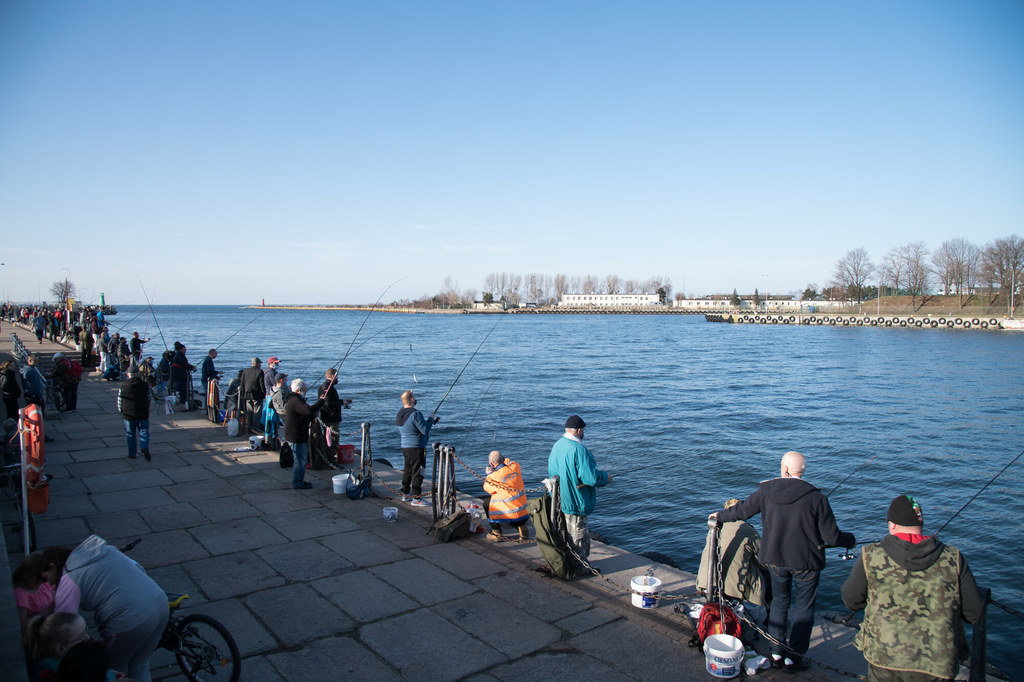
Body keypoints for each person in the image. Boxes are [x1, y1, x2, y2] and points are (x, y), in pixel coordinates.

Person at [713, 450, 855, 671]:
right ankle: (794, 657)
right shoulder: (817, 497)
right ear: (802, 471)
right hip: (807, 563)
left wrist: (720, 516)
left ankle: (776, 652)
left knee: (779, 603)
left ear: (784, 469)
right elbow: (832, 537)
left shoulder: (766, 491)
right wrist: (851, 540)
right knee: (804, 609)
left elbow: (742, 511)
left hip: (776, 559)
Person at [841, 495, 984, 682]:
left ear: (891, 525)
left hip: (884, 656)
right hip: (937, 662)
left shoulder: (871, 555)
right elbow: (974, 612)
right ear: (921, 524)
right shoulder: (953, 558)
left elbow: (851, 600)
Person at [42, 535, 169, 682]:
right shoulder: (105, 550)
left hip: (130, 620)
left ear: (52, 566)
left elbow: (65, 621)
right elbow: (138, 567)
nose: (49, 583)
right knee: (140, 665)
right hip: (160, 602)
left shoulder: (70, 577)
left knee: (107, 668)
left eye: (46, 578)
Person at [547, 415, 612, 566]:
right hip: (575, 501)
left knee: (564, 533)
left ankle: (566, 563)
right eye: (582, 430)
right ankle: (579, 567)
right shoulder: (579, 449)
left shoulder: (557, 445)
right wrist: (605, 477)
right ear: (578, 430)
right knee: (578, 535)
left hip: (558, 499)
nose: (583, 433)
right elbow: (591, 478)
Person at [697, 498, 767, 624]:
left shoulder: (715, 527)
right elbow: (763, 561)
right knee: (766, 571)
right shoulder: (749, 531)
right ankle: (770, 613)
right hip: (732, 589)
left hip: (706, 581)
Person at [395, 390, 438, 506]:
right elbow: (424, 430)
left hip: (405, 446)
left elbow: (412, 427)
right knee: (418, 471)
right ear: (412, 400)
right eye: (414, 396)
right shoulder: (415, 414)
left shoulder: (400, 414)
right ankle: (417, 498)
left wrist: (426, 422)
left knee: (408, 470)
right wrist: (430, 419)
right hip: (417, 447)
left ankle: (405, 493)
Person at [23, 612, 90, 682]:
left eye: (86, 630)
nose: (87, 638)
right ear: (59, 649)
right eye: (80, 638)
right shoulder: (56, 673)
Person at [283, 379, 324, 490]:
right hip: (296, 435)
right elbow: (307, 411)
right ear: (299, 389)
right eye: (305, 388)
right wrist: (320, 402)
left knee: (301, 459)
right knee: (300, 460)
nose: (306, 390)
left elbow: (305, 415)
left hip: (297, 433)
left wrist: (313, 415)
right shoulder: (295, 400)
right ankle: (297, 482)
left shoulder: (295, 400)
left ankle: (299, 480)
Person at [483, 450, 529, 542]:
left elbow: (487, 488)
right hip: (522, 511)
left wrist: (489, 474)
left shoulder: (494, 476)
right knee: (514, 508)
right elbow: (510, 461)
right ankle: (521, 527)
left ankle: (496, 532)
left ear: (491, 464)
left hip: (509, 511)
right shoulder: (515, 467)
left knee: (487, 503)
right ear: (503, 459)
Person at [13, 551, 55, 634]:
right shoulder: (21, 596)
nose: (41, 583)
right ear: (26, 576)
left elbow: (52, 590)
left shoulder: (41, 584)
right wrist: (46, 612)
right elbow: (21, 626)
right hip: (37, 633)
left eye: (44, 579)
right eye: (38, 580)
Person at [118, 367, 151, 461]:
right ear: (138, 374)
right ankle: (144, 447)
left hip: (128, 414)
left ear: (128, 374)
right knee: (144, 431)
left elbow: (120, 400)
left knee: (130, 433)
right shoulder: (145, 384)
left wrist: (121, 410)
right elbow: (148, 399)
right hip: (142, 412)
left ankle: (132, 453)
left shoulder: (123, 385)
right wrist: (146, 408)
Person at [318, 368, 351, 446]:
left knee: (330, 438)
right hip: (330, 418)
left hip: (328, 417)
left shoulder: (327, 387)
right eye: (336, 377)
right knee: (332, 439)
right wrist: (342, 402)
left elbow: (330, 400)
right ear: (332, 376)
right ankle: (331, 454)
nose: (337, 379)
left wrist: (343, 401)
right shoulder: (326, 388)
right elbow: (328, 403)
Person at [240, 357, 265, 432]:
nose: (260, 365)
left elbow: (242, 383)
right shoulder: (260, 372)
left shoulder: (245, 371)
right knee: (257, 412)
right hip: (257, 395)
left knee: (249, 411)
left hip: (247, 394)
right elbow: (261, 384)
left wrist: (243, 393)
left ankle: (249, 427)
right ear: (257, 364)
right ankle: (255, 427)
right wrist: (265, 393)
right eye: (260, 363)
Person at [170, 342, 195, 409]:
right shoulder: (180, 356)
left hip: (177, 373)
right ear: (181, 349)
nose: (185, 350)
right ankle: (183, 399)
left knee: (182, 386)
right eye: (184, 349)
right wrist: (192, 367)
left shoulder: (178, 355)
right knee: (183, 386)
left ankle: (183, 397)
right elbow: (185, 364)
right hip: (180, 374)